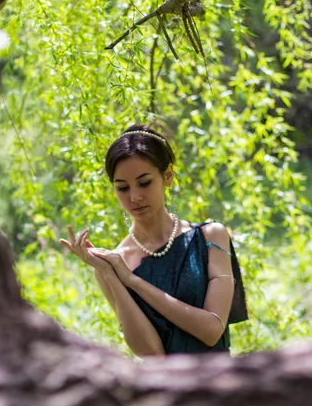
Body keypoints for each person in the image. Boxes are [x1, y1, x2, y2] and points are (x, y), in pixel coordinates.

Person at [59, 124, 248, 357]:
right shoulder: (114, 264)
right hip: (163, 387)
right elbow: (152, 355)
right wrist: (112, 276)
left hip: (220, 385)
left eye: (144, 182)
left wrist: (134, 282)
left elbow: (212, 330)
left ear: (167, 176)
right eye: (122, 188)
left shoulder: (211, 238)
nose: (134, 197)